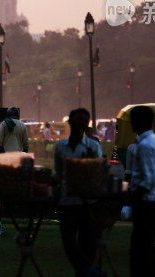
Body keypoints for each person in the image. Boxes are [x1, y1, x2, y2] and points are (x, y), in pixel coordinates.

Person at [54, 108, 103, 277]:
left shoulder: (94, 147)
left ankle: (85, 273)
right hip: (67, 201)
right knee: (68, 242)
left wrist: (88, 163)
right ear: (71, 122)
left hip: (88, 201)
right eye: (78, 119)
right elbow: (60, 173)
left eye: (84, 120)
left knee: (88, 244)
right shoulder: (60, 146)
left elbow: (98, 174)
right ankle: (91, 273)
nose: (81, 122)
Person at [126, 105, 155, 277]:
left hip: (146, 201)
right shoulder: (154, 140)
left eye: (132, 120)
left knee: (140, 246)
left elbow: (147, 180)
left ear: (140, 121)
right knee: (147, 244)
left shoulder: (144, 145)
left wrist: (129, 198)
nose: (131, 123)